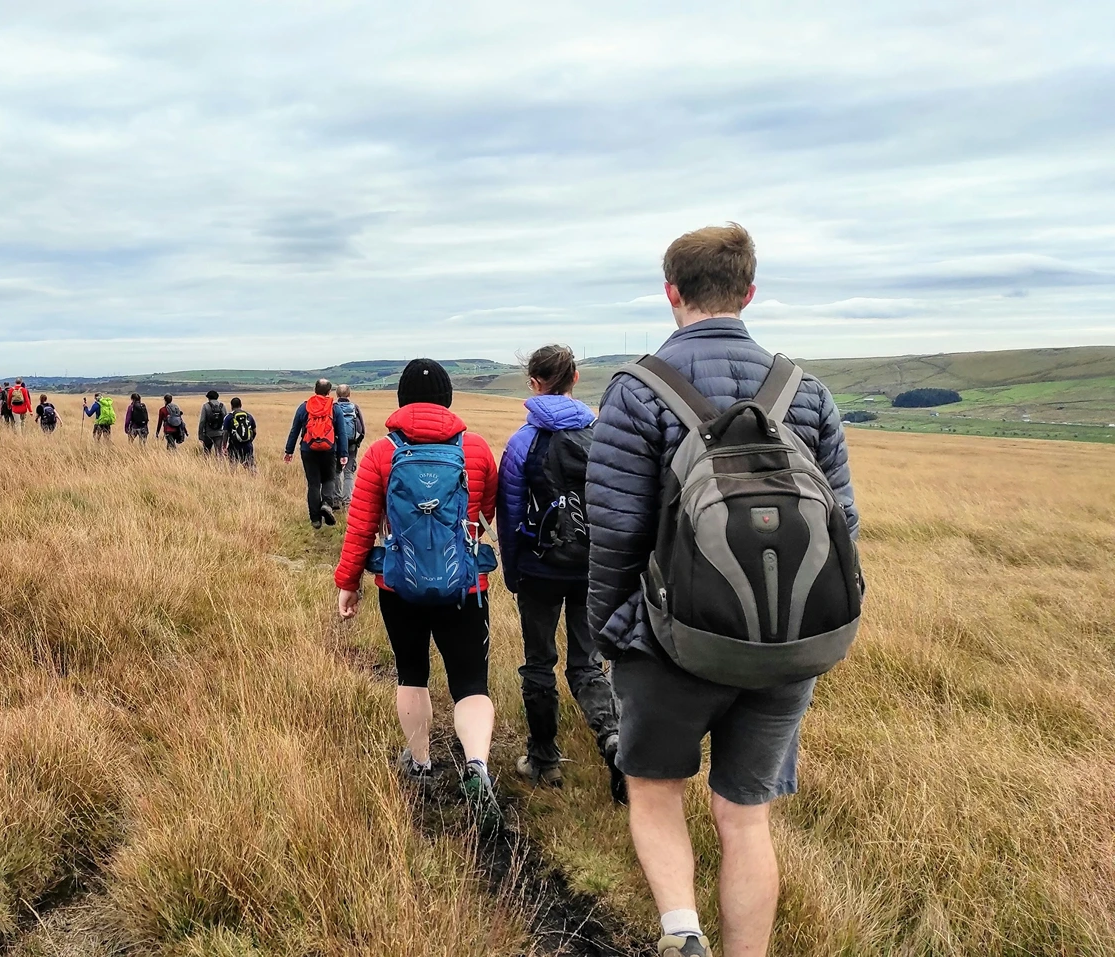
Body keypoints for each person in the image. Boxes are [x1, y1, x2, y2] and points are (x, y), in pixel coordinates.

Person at [587, 224, 859, 957]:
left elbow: (613, 530)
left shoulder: (636, 390)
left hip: (669, 639)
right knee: (744, 817)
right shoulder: (806, 392)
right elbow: (844, 524)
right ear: (748, 292)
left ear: (670, 291)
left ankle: (682, 934)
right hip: (787, 648)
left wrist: (613, 633)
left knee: (654, 790)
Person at [334, 359, 501, 831]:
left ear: (401, 399)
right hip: (466, 587)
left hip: (398, 586)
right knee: (471, 683)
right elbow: (486, 511)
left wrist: (348, 584)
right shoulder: (475, 447)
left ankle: (421, 763)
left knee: (412, 673)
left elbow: (361, 526)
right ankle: (477, 768)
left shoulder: (382, 453)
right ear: (448, 398)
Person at [495, 345, 623, 803]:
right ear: (576, 379)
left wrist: (513, 571)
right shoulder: (603, 437)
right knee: (587, 663)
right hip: (593, 569)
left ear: (534, 383)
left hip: (537, 568)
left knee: (538, 662)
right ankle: (612, 739)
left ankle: (544, 759)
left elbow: (508, 516)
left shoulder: (520, 443)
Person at [282, 378, 351, 528]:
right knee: (329, 479)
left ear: (315, 390)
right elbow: (342, 433)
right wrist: (344, 454)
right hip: (329, 449)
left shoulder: (304, 407)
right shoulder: (335, 408)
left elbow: (294, 430)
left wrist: (289, 451)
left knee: (313, 484)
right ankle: (326, 504)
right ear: (328, 392)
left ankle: (315, 519)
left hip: (308, 449)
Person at [333, 384, 366, 506]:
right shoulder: (354, 408)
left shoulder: (333, 408)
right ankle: (347, 502)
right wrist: (357, 443)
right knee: (348, 473)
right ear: (349, 394)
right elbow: (362, 429)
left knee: (336, 471)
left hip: (336, 443)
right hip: (351, 443)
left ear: (336, 395)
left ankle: (336, 499)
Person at [222, 396, 257, 470]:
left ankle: (234, 480)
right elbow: (254, 431)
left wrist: (224, 446)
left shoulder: (228, 417)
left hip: (234, 446)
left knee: (233, 468)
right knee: (250, 467)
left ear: (231, 406)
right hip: (248, 446)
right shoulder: (248, 416)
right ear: (241, 405)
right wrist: (249, 440)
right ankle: (254, 480)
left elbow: (225, 433)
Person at [198, 390, 228, 456]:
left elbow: (202, 421)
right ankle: (219, 465)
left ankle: (207, 465)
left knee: (206, 452)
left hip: (208, 433)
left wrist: (200, 434)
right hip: (220, 433)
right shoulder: (222, 406)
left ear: (208, 397)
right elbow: (226, 420)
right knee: (219, 453)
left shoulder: (206, 406)